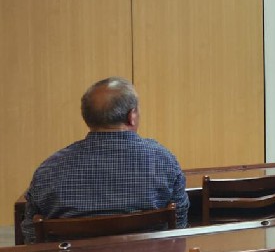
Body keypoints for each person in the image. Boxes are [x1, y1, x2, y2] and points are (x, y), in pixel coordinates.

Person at [21, 77, 188, 243]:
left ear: (87, 117)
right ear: (132, 116)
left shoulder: (47, 172)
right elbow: (179, 229)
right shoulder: (165, 162)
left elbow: (32, 238)